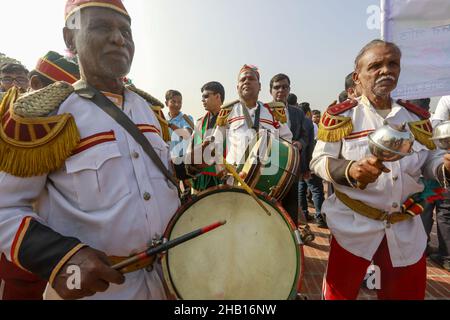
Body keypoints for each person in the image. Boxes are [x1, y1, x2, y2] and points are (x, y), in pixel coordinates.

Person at [0, 0, 180, 300]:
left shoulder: (151, 113)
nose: (119, 38)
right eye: (101, 27)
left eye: (126, 30)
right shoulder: (46, 116)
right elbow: (5, 207)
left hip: (168, 285)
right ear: (70, 38)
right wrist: (60, 257)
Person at [311, 39, 450, 300]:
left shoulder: (417, 119)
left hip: (405, 229)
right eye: (375, 66)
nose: (386, 70)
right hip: (353, 229)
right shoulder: (341, 117)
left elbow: (431, 163)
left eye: (392, 64)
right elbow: (318, 161)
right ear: (357, 77)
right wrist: (350, 170)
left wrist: (445, 168)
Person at [0, 51, 80, 300]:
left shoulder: (65, 123)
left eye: (19, 78)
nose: (15, 84)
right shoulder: (13, 117)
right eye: (8, 78)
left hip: (51, 244)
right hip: (17, 246)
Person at [270, 74, 309, 225]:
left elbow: (305, 136)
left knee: (291, 206)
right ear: (270, 90)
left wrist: (299, 143)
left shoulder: (297, 112)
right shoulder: (263, 110)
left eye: (284, 87)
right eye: (276, 87)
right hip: (270, 167)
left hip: (292, 166)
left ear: (289, 89)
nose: (281, 90)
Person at [189, 81, 226, 193]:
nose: (202, 100)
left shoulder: (230, 120)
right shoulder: (200, 122)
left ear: (218, 96)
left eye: (206, 96)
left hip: (221, 176)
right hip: (200, 177)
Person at [429, 95, 450, 271]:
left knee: (443, 211)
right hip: (441, 165)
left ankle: (446, 256)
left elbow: (438, 131)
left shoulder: (447, 99)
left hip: (443, 161)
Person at [298, 103, 326, 228]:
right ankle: (319, 216)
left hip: (298, 163)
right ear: (308, 113)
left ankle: (304, 214)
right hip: (309, 162)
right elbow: (314, 144)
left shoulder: (296, 123)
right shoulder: (312, 124)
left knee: (301, 189)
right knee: (316, 189)